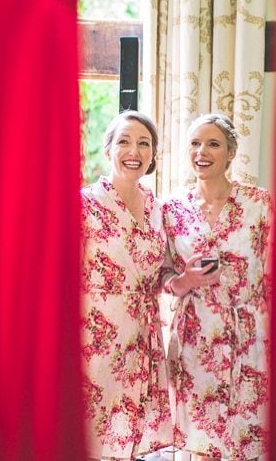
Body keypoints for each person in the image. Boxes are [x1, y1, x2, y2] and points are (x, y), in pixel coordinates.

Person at [159, 113, 273, 461]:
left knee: (248, 438)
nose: (201, 152)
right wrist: (186, 280)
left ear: (230, 153)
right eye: (194, 143)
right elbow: (162, 276)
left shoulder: (260, 204)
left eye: (213, 144)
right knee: (201, 442)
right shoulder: (171, 209)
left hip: (249, 335)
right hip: (196, 338)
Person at [80, 111, 173, 460]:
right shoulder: (84, 204)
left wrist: (187, 278)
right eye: (124, 141)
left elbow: (162, 271)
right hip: (94, 334)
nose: (134, 150)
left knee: (127, 436)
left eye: (143, 143)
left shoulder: (156, 207)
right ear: (108, 150)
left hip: (140, 334)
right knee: (92, 433)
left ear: (152, 155)